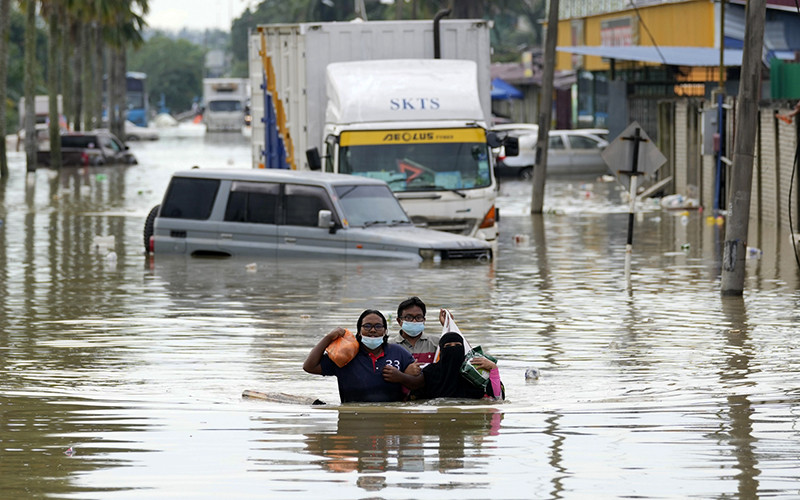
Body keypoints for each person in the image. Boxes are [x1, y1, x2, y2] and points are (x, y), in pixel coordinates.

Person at [303, 309, 414, 403]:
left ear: (385, 331)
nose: (373, 330)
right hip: (352, 422)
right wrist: (329, 337)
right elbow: (309, 367)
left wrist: (401, 377)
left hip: (390, 423)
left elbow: (420, 382)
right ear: (359, 331)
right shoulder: (346, 355)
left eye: (378, 326)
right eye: (367, 326)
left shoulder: (398, 352)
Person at [385, 314, 504, 400]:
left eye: (457, 346)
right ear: (441, 350)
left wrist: (494, 369)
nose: (453, 349)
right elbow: (414, 397)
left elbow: (498, 396)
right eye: (448, 346)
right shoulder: (430, 373)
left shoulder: (472, 372)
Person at [392, 296, 440, 366]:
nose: (414, 321)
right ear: (399, 321)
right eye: (408, 317)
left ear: (424, 320)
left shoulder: (436, 343)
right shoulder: (390, 346)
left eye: (418, 317)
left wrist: (447, 324)